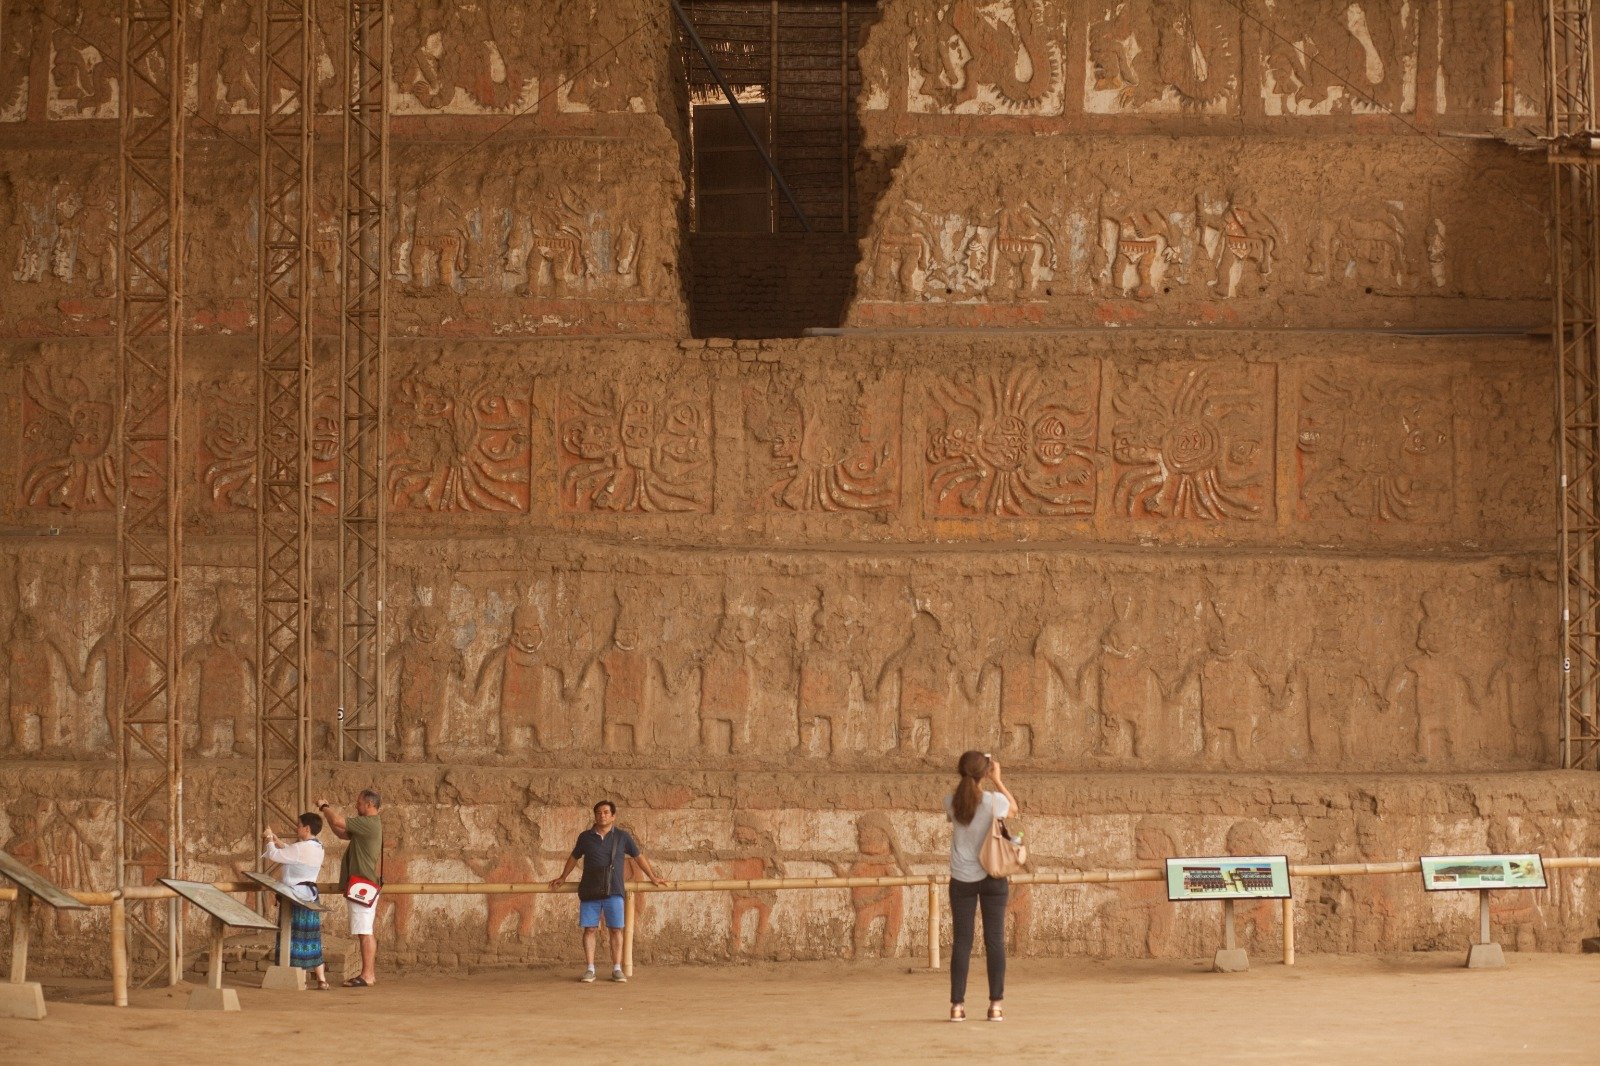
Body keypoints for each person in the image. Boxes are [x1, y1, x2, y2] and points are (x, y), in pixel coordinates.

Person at [548, 800, 665, 983]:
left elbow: (638, 857)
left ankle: (617, 968)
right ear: (594, 816)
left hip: (614, 890)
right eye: (598, 813)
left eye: (605, 812)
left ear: (613, 816)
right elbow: (574, 857)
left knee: (616, 929)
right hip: (590, 889)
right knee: (590, 929)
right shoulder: (585, 837)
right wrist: (563, 877)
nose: (601, 815)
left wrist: (653, 877)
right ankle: (590, 969)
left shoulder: (622, 837)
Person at [945, 751, 1018, 1022]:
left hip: (961, 878)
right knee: (994, 941)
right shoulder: (993, 801)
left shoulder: (951, 801)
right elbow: (1014, 808)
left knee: (962, 942)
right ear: (985, 772)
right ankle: (995, 1005)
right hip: (992, 876)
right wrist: (998, 780)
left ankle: (957, 1006)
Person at [317, 788, 384, 987]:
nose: (357, 806)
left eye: (359, 803)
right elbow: (340, 832)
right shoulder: (367, 826)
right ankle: (367, 974)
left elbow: (338, 821)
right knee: (365, 930)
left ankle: (367, 975)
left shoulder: (368, 823)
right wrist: (327, 815)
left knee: (365, 931)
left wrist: (324, 807)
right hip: (362, 883)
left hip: (362, 883)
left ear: (369, 805)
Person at [262, 812, 330, 990]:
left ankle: (300, 979)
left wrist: (269, 839)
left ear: (306, 829)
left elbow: (275, 855)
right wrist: (279, 841)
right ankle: (321, 979)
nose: (297, 828)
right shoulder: (318, 846)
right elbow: (294, 853)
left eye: (299, 825)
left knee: (293, 937)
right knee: (312, 937)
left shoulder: (300, 848)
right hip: (311, 896)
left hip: (295, 896)